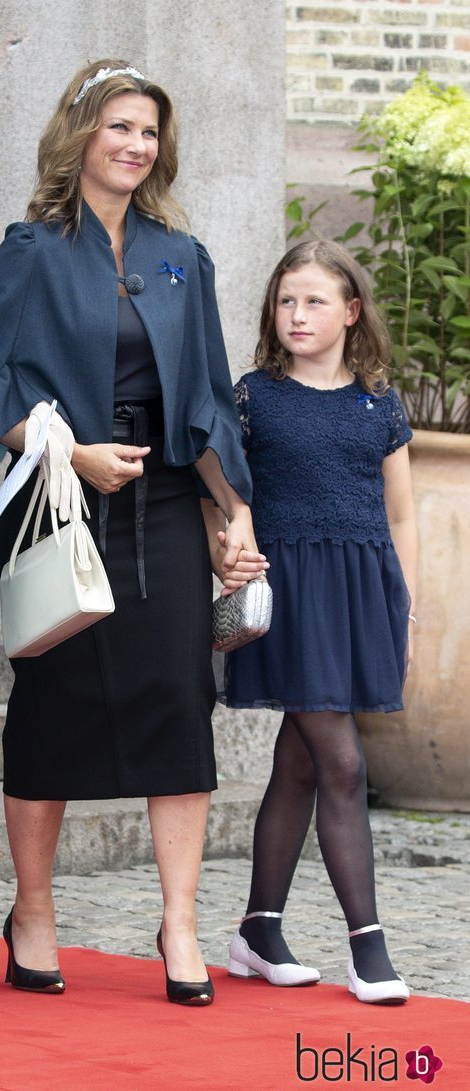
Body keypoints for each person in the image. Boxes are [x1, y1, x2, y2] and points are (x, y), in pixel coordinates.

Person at [0, 60, 265, 1004]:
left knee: (181, 705)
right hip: (62, 500)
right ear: (81, 133)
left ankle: (178, 921)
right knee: (51, 705)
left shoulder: (181, 253)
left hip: (169, 501)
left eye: (148, 131)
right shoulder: (28, 249)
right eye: (119, 127)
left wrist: (237, 513)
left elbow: (214, 401)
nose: (136, 145)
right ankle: (33, 911)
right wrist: (67, 448)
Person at [222, 240, 416, 1005]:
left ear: (352, 312)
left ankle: (259, 929)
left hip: (362, 592)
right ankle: (368, 946)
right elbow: (225, 496)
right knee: (341, 764)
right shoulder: (253, 396)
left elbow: (400, 513)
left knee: (300, 763)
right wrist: (228, 550)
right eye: (286, 300)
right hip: (292, 596)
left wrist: (408, 607)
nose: (297, 314)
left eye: (315, 300)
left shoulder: (382, 404)